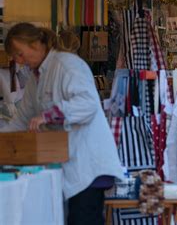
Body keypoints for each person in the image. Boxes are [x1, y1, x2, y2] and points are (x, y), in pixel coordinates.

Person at [0, 23, 123, 225]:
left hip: (87, 166)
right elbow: (21, 120)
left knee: (83, 219)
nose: (18, 61)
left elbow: (87, 103)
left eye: (19, 54)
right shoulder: (36, 78)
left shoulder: (67, 65)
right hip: (70, 167)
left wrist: (49, 116)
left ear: (35, 44)